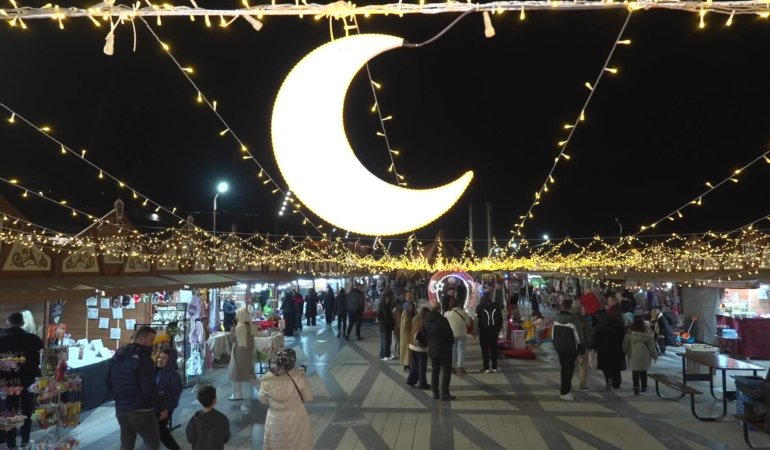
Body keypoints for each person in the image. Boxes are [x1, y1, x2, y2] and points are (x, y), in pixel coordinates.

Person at [106, 325, 168, 450]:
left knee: (126, 443)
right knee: (152, 441)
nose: (152, 344)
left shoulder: (118, 355)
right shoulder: (144, 359)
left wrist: (120, 396)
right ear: (143, 340)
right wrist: (161, 407)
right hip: (141, 409)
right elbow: (149, 387)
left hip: (121, 409)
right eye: (151, 340)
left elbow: (108, 380)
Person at [0, 312, 44, 448]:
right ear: (23, 323)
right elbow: (40, 359)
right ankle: (25, 441)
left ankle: (11, 444)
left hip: (6, 382)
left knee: (9, 413)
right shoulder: (34, 339)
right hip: (28, 380)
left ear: (8, 322)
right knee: (27, 411)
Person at [259, 348, 314, 450]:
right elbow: (309, 397)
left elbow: (263, 400)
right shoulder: (299, 377)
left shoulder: (266, 379)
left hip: (275, 419)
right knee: (297, 444)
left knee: (277, 444)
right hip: (296, 417)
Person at [552, 299, 585, 401]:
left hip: (560, 348)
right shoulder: (573, 320)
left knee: (564, 369)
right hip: (571, 349)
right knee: (569, 370)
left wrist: (556, 346)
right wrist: (581, 349)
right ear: (570, 308)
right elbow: (579, 337)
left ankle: (567, 389)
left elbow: (552, 335)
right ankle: (565, 392)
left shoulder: (556, 318)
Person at [424, 302, 455, 400]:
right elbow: (449, 334)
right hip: (444, 349)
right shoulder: (443, 320)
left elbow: (425, 334)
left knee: (435, 371)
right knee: (446, 371)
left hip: (432, 348)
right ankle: (444, 393)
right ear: (439, 308)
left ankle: (435, 392)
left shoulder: (426, 320)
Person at [594, 300, 627, 390]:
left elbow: (597, 332)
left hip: (604, 346)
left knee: (606, 366)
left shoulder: (603, 318)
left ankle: (608, 378)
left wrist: (595, 345)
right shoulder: (619, 319)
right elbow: (623, 333)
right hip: (617, 346)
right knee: (616, 367)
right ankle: (616, 383)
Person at [185, 386, 231, 450]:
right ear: (215, 400)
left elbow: (189, 438)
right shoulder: (222, 419)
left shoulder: (194, 420)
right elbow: (226, 438)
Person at [623, 316, 658, 395]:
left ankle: (636, 387)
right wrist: (655, 356)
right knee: (643, 371)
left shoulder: (629, 335)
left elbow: (625, 346)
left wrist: (627, 353)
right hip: (645, 356)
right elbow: (652, 348)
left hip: (633, 355)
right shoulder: (648, 336)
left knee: (635, 372)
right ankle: (644, 386)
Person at [155, 349, 182, 450]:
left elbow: (174, 395)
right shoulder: (158, 371)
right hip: (156, 406)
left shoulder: (173, 376)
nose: (160, 360)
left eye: (164, 358)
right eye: (159, 357)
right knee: (159, 431)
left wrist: (165, 408)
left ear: (170, 361)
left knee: (161, 430)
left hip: (164, 409)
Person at [227, 307, 254, 400]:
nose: (235, 316)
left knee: (235, 374)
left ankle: (237, 394)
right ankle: (263, 391)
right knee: (249, 375)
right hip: (247, 352)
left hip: (239, 353)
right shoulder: (249, 325)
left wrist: (233, 328)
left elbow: (232, 339)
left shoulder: (239, 327)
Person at [476, 291, 502, 374]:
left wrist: (477, 328)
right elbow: (500, 318)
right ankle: (494, 368)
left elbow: (477, 319)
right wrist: (498, 329)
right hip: (494, 331)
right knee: (494, 349)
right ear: (490, 297)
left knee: (485, 350)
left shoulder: (480, 306)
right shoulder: (495, 305)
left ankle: (486, 368)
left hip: (484, 331)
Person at [570, 302, 593, 392]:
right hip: (582, 347)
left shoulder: (570, 319)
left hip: (571, 346)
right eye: (583, 309)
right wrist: (590, 345)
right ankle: (582, 385)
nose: (585, 310)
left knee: (571, 366)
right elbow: (588, 335)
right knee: (583, 366)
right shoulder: (583, 321)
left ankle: (568, 384)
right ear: (579, 311)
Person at [406, 307, 430, 390]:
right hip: (420, 347)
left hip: (412, 345)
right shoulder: (423, 322)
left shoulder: (415, 318)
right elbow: (423, 335)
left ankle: (411, 380)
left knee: (415, 365)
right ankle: (422, 384)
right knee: (422, 366)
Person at [445, 297, 471, 375]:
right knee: (461, 350)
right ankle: (460, 366)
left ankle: (452, 367)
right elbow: (468, 322)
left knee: (453, 350)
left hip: (452, 334)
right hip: (462, 333)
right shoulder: (463, 312)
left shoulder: (447, 313)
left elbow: (444, 323)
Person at [378, 290, 396, 360]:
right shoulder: (381, 305)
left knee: (389, 342)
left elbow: (390, 316)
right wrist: (384, 323)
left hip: (389, 326)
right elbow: (379, 317)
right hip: (383, 327)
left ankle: (388, 354)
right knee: (384, 342)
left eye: (389, 298)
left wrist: (393, 323)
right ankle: (383, 355)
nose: (388, 299)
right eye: (387, 298)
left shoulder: (389, 306)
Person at [399, 301, 414, 372]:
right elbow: (405, 324)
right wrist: (411, 326)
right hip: (406, 335)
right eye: (410, 306)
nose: (411, 308)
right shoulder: (406, 314)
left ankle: (407, 364)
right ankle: (406, 365)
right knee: (407, 350)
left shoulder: (406, 313)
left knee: (407, 350)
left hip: (406, 335)